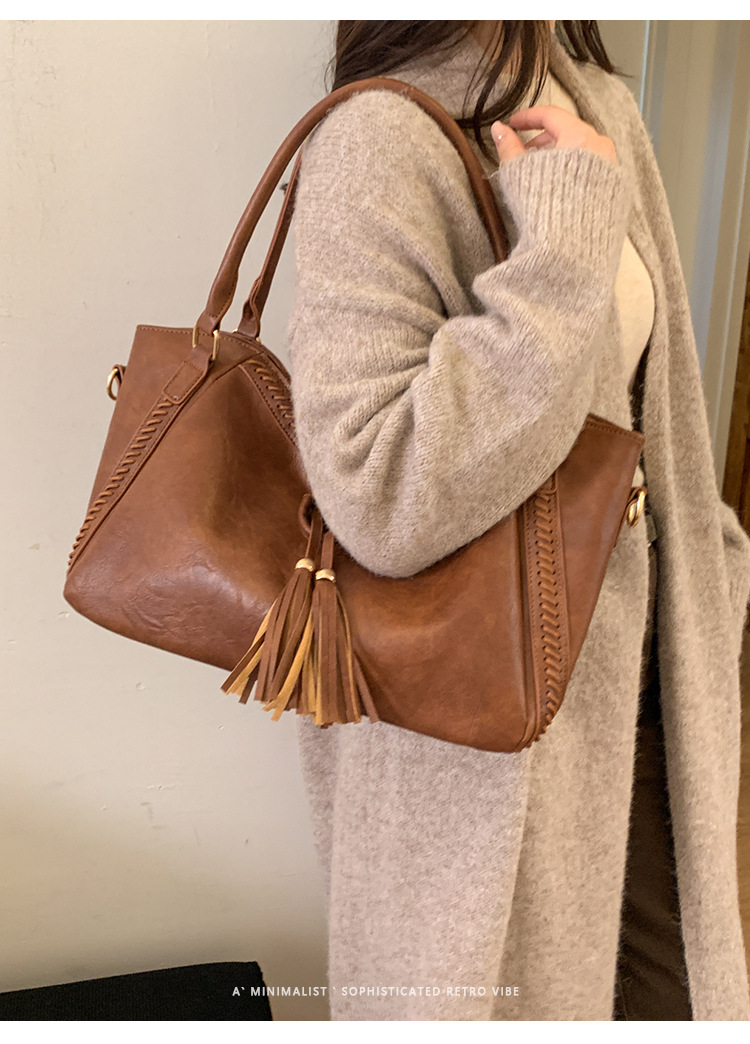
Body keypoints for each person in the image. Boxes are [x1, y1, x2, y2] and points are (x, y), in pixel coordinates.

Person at [284, 20, 750, 1020]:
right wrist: (562, 250)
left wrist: (715, 566)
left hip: (652, 702)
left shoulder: (596, 98)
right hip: (484, 764)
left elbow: (656, 408)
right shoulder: (379, 137)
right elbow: (379, 491)